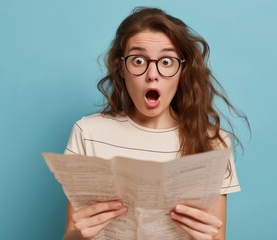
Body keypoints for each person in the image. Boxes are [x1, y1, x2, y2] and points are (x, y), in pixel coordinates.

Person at [63, 7, 248, 240]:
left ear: (182, 69)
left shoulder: (212, 141)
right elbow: (70, 233)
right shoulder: (87, 133)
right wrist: (79, 235)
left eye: (167, 61)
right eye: (138, 60)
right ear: (121, 68)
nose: (152, 74)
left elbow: (218, 236)